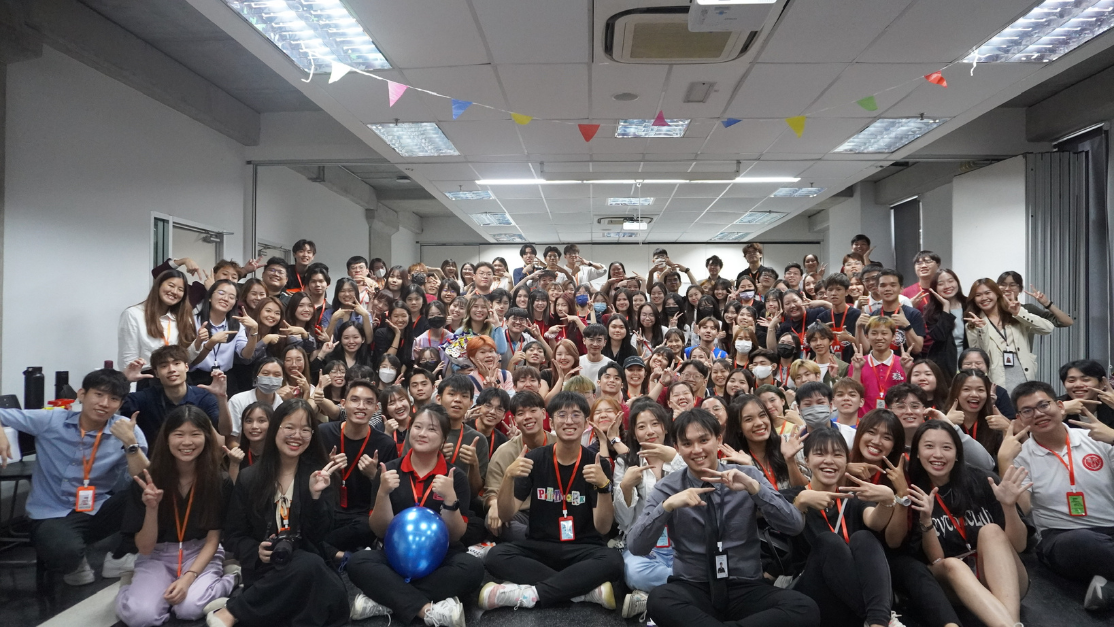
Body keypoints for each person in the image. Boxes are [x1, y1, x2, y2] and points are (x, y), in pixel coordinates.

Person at [627, 408, 819, 627]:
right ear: (677, 448)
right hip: (694, 586)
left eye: (703, 440)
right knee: (659, 600)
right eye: (687, 444)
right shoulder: (668, 487)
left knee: (804, 608)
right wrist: (667, 506)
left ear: (718, 440)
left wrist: (755, 489)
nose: (697, 450)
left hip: (745, 585)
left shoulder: (748, 476)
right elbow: (636, 546)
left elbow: (794, 525)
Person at [208, 399, 349, 627]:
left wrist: (314, 497)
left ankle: (235, 609)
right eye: (289, 427)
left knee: (313, 570)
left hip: (307, 563)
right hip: (266, 567)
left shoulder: (320, 476)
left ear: (312, 435)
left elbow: (320, 536)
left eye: (305, 430)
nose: (297, 435)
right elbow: (233, 536)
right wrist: (257, 551)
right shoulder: (249, 478)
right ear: (275, 429)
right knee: (322, 591)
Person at [0, 369, 148, 585]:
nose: (104, 403)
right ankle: (75, 558)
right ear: (82, 394)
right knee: (64, 554)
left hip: (97, 508)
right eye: (98, 394)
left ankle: (120, 556)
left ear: (120, 404)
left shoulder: (125, 429)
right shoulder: (51, 420)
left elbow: (145, 477)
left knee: (149, 490)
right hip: (52, 511)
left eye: (114, 399)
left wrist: (130, 443)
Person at [480, 392, 624, 611]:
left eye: (576, 415)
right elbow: (507, 514)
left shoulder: (596, 463)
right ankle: (583, 590)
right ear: (552, 421)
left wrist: (604, 486)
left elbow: (603, 528)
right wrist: (508, 477)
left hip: (582, 547)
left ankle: (530, 594)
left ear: (586, 422)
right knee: (495, 556)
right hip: (540, 546)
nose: (569, 421)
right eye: (562, 415)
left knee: (613, 560)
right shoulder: (534, 459)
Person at [346, 405, 484, 626]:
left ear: (443, 438)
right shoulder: (388, 471)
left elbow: (456, 535)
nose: (422, 433)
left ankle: (385, 599)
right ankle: (427, 610)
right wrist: (382, 493)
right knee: (358, 561)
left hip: (441, 557)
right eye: (417, 427)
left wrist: (450, 500)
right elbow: (380, 530)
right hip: (394, 555)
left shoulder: (454, 477)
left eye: (432, 429)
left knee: (472, 568)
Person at [115, 406, 237, 627]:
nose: (187, 442)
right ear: (167, 438)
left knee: (190, 608)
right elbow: (145, 548)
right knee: (141, 616)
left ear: (206, 437)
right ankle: (130, 587)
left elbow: (213, 540)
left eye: (195, 434)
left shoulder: (219, 481)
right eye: (179, 434)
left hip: (199, 552)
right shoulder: (148, 481)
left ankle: (231, 578)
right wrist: (152, 509)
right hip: (157, 555)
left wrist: (188, 578)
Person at [900, 421, 1030, 627]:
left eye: (946, 447)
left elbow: (1020, 546)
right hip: (952, 585)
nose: (938, 455)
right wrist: (926, 519)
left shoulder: (983, 480)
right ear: (916, 453)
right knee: (952, 564)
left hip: (1004, 580)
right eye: (929, 446)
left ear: (957, 454)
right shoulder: (912, 492)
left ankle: (1009, 622)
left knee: (991, 530)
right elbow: (937, 560)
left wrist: (1009, 506)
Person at [1005, 381, 1114, 611]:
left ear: (1061, 406)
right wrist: (1005, 461)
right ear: (1019, 419)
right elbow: (1022, 510)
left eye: (1044, 405)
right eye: (1027, 411)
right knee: (1081, 542)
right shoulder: (1022, 457)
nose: (1038, 414)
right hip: (1064, 537)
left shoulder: (1096, 437)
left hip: (1110, 528)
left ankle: (1107, 584)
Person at [785, 428, 904, 627]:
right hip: (813, 591)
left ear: (846, 461)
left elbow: (874, 521)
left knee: (863, 537)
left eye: (837, 454)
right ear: (806, 460)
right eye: (820, 454)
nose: (829, 461)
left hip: (851, 597)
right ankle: (883, 619)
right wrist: (800, 504)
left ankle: (877, 623)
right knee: (829, 541)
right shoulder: (793, 496)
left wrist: (887, 501)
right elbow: (782, 525)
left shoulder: (853, 495)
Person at [612, 401, 686, 618]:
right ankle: (690, 589)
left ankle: (651, 598)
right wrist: (626, 487)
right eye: (642, 426)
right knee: (634, 573)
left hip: (683, 542)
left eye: (655, 423)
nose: (650, 431)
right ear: (634, 434)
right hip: (645, 547)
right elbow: (624, 521)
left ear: (665, 427)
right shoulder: (625, 462)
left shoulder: (682, 456)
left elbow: (701, 489)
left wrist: (676, 460)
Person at [317, 380, 398, 566]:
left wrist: (373, 475)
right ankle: (342, 556)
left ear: (376, 408)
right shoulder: (323, 433)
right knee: (307, 520)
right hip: (327, 508)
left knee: (368, 527)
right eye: (355, 400)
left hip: (361, 516)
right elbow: (309, 476)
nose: (361, 406)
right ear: (343, 404)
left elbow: (391, 494)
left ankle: (322, 549)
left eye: (368, 402)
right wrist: (326, 467)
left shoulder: (386, 444)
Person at [483, 391, 555, 541]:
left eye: (533, 410)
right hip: (521, 514)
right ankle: (545, 541)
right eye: (521, 413)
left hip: (556, 510)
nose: (527, 416)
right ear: (515, 420)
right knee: (494, 518)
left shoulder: (559, 445)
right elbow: (491, 492)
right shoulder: (504, 452)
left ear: (543, 413)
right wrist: (495, 505)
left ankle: (538, 542)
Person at [121, 346, 226, 446]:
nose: (171, 369)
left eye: (176, 363)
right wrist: (124, 380)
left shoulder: (203, 397)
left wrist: (222, 397)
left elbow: (224, 430)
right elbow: (115, 406)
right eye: (164, 366)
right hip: (156, 456)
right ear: (156, 373)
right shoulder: (147, 397)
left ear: (186, 367)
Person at [964, 278, 1053, 390]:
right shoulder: (972, 325)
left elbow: (1048, 328)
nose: (984, 298)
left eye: (987, 293)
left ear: (997, 294)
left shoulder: (1014, 314)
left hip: (1024, 373)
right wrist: (982, 329)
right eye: (978, 295)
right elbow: (981, 356)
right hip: (997, 377)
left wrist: (1019, 313)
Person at [119, 270, 199, 376]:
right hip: (146, 377)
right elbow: (128, 359)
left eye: (180, 289)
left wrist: (199, 342)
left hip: (176, 378)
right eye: (171, 285)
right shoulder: (134, 314)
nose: (175, 292)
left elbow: (186, 359)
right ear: (159, 285)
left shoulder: (183, 318)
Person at [191, 280, 260, 387]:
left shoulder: (237, 325)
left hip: (225, 378)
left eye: (231, 297)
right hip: (197, 377)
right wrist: (211, 342)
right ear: (210, 297)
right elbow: (190, 359)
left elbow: (246, 355)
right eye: (221, 293)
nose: (225, 298)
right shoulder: (192, 322)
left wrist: (254, 330)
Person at [432, 376, 489, 497]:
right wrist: (433, 456)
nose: (457, 400)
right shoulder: (423, 431)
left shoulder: (478, 439)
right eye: (451, 394)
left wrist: (474, 465)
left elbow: (475, 491)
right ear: (438, 398)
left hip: (461, 501)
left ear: (471, 403)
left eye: (464, 396)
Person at [850, 316, 912, 418]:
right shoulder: (858, 363)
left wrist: (907, 370)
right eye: (874, 333)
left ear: (893, 336)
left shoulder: (905, 363)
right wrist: (857, 370)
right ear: (866, 336)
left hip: (897, 420)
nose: (879, 338)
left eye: (884, 333)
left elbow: (913, 395)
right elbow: (852, 394)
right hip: (864, 420)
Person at [943, 369, 1008, 458]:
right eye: (966, 389)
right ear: (955, 393)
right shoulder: (942, 418)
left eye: (980, 390)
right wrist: (945, 424)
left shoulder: (993, 423)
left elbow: (1007, 459)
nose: (974, 394)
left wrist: (1006, 430)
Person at [996, 271, 1073, 328]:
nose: (1007, 288)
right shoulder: (992, 308)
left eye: (1012, 285)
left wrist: (1047, 303)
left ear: (1020, 289)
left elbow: (1067, 322)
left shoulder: (1027, 309)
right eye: (1003, 284)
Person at [959, 348, 1016, 419]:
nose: (973, 367)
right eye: (968, 364)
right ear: (960, 368)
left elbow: (1011, 421)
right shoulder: (953, 389)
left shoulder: (1000, 392)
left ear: (987, 367)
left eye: (978, 363)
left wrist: (991, 404)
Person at [1058, 359, 1114, 428]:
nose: (1078, 385)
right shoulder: (1056, 405)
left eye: (1085, 380)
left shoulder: (1111, 405)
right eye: (1071, 380)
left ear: (1101, 384)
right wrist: (1060, 411)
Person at [227, 402, 272, 484]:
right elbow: (233, 489)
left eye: (261, 421)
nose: (254, 426)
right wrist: (234, 463)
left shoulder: (280, 454)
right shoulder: (237, 455)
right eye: (249, 421)